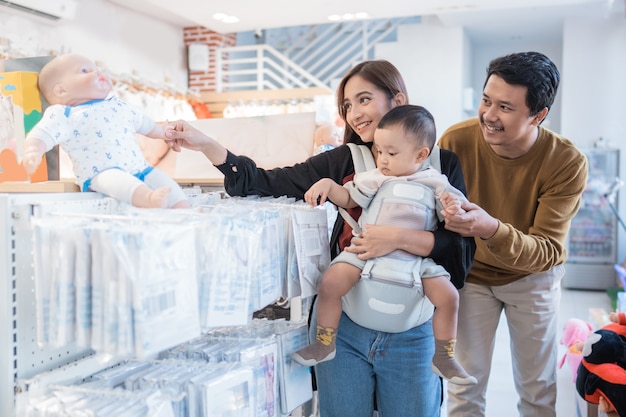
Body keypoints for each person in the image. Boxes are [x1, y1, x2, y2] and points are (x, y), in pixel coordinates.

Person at [165, 59, 476, 416]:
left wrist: (397, 238)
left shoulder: (441, 165)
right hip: (345, 328)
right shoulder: (346, 160)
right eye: (346, 106)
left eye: (363, 99)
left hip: (413, 327)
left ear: (397, 99)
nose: (354, 113)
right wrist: (206, 144)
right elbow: (263, 183)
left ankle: (445, 354)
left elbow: (460, 251)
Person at [438, 51, 588, 417]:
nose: (489, 115)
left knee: (538, 391)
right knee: (464, 386)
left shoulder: (566, 162)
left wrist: (489, 228)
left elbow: (548, 249)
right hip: (471, 276)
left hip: (532, 278)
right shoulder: (456, 140)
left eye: (505, 107)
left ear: (538, 115)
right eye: (486, 100)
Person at [291, 104, 476, 386]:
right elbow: (350, 198)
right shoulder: (375, 177)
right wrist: (329, 185)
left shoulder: (437, 182)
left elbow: (457, 215)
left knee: (449, 297)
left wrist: (453, 209)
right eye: (378, 151)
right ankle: (325, 342)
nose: (383, 160)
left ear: (421, 155)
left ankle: (444, 354)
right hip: (368, 253)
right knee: (330, 282)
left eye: (391, 153)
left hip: (415, 261)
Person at [22, 53, 189, 209]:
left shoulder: (117, 105)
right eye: (85, 71)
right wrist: (33, 151)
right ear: (61, 90)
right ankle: (148, 200)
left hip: (140, 168)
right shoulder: (65, 114)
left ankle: (182, 208)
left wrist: (163, 132)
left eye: (97, 69)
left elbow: (145, 124)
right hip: (100, 174)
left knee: (165, 182)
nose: (96, 72)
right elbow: (43, 133)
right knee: (117, 181)